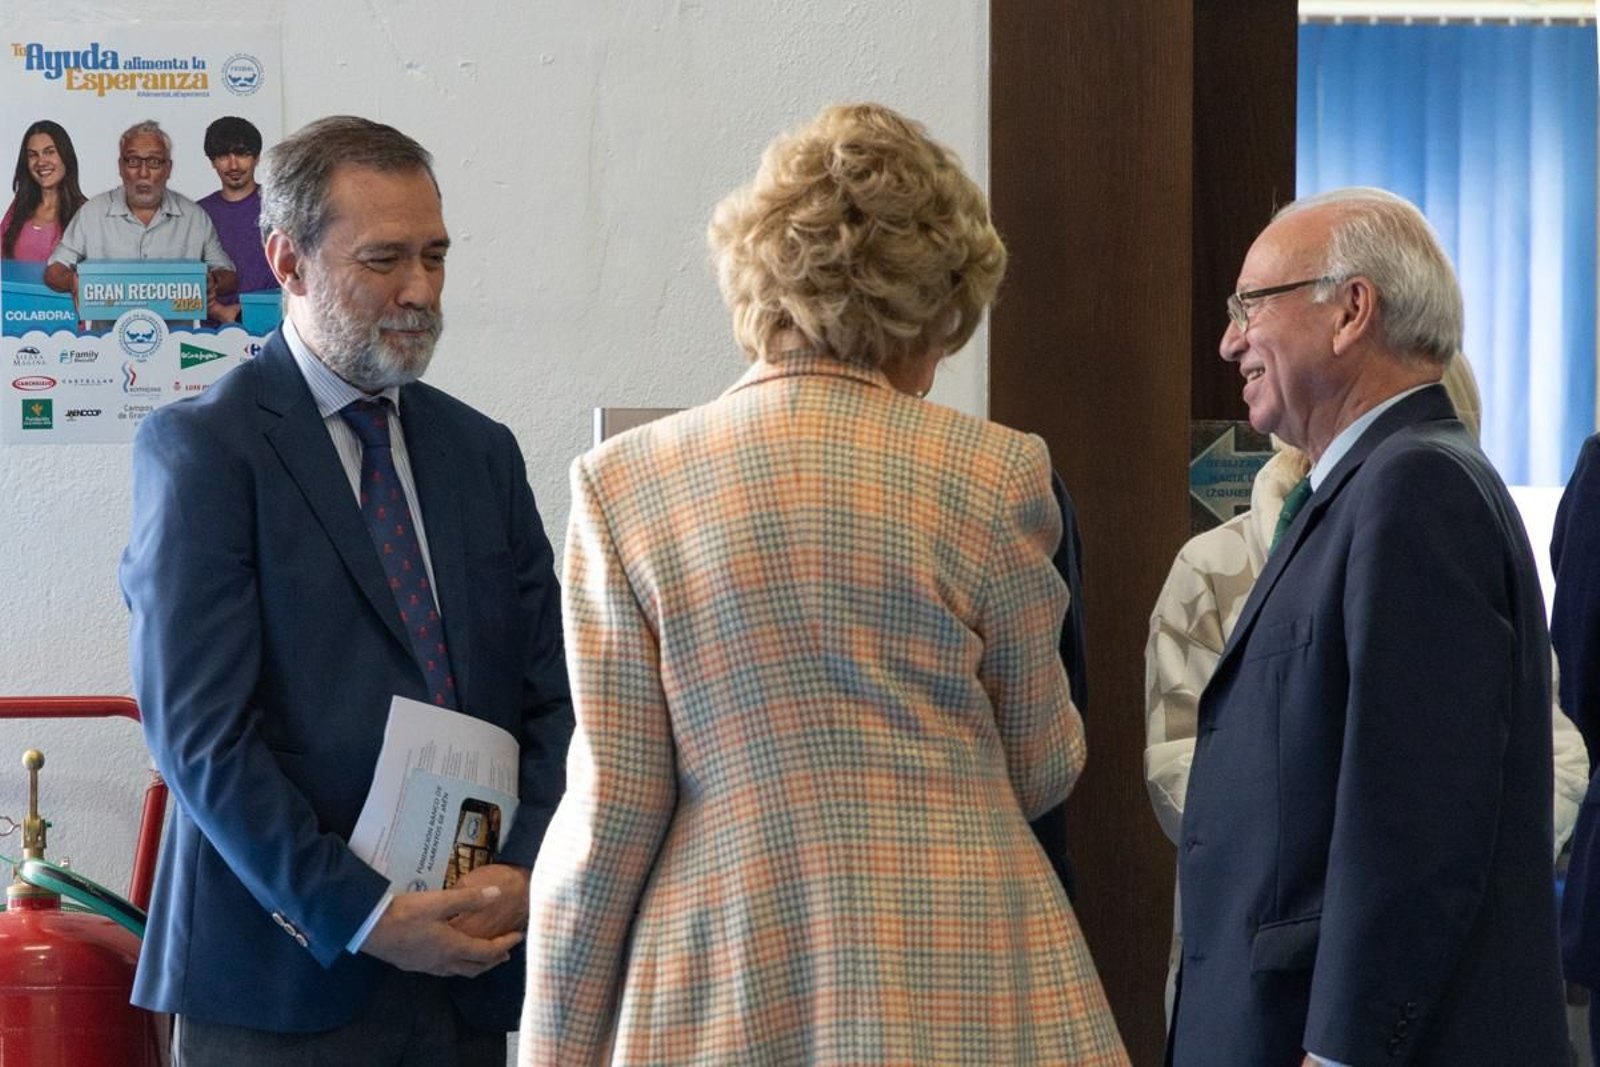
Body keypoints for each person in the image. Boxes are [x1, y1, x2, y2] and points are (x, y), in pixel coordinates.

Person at [520, 102, 1129, 1066]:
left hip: (725, 970)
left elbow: (614, 811)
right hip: (967, 968)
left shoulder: (626, 483)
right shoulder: (997, 471)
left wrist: (553, 1044)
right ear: (928, 307)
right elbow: (1042, 763)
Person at [119, 115, 573, 1066]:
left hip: (466, 976)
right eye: (385, 260)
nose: (421, 289)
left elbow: (555, 698)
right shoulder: (205, 450)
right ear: (286, 262)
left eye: (436, 256)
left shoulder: (481, 454)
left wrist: (525, 868)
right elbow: (201, 736)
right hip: (281, 979)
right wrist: (363, 913)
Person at [1169, 188, 1568, 1066]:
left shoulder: (1413, 489)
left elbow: (1417, 816)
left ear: (1352, 310)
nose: (1230, 339)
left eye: (1250, 306)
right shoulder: (1357, 491)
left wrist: (1346, 1050)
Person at [44, 119, 235, 305]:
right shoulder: (91, 214)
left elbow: (228, 274)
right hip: (107, 336)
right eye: (133, 161)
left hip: (178, 335)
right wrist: (72, 281)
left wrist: (214, 281)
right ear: (120, 167)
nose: (143, 173)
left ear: (168, 168)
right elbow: (54, 270)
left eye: (154, 162)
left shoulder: (194, 217)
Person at [197, 115, 276, 323]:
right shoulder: (197, 214)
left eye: (242, 154)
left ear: (257, 157)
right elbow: (187, 279)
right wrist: (217, 311)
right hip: (211, 338)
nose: (233, 165)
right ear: (212, 161)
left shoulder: (282, 206)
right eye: (223, 156)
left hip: (272, 328)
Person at [1, 119, 86, 261]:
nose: (41, 162)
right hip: (12, 284)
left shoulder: (85, 214)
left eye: (50, 152)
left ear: (66, 156)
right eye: (33, 155)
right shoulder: (18, 207)